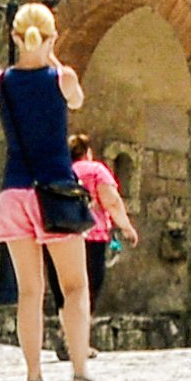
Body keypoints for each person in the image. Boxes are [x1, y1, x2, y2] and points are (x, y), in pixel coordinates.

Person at [0, 2, 108, 381]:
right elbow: (75, 101)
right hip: (55, 193)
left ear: (14, 37)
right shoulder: (63, 77)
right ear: (52, 36)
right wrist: (52, 52)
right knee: (75, 288)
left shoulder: (0, 81)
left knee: (29, 291)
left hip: (13, 193)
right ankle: (79, 372)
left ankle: (34, 378)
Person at [57, 132, 140, 333]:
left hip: (63, 236)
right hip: (92, 236)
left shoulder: (63, 171)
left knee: (67, 288)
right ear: (87, 152)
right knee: (89, 287)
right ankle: (78, 338)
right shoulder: (96, 170)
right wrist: (127, 227)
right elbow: (111, 200)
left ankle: (65, 330)